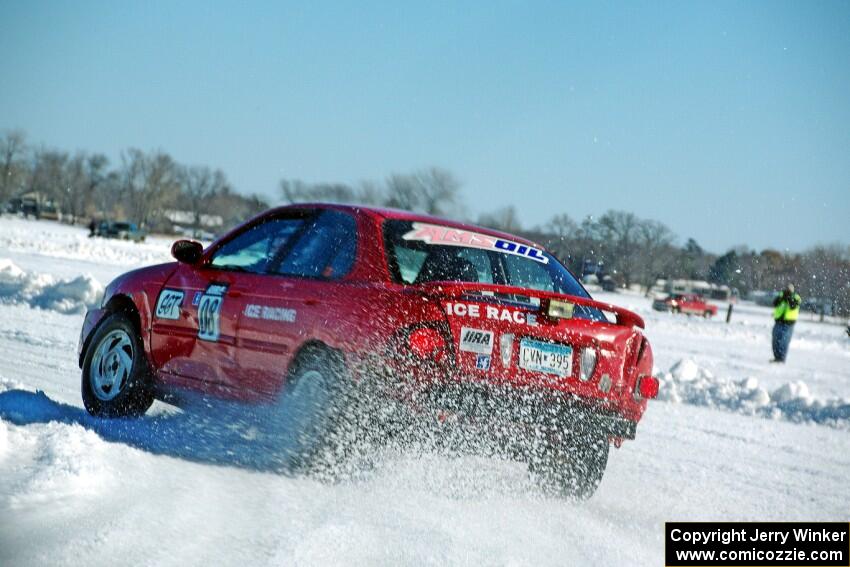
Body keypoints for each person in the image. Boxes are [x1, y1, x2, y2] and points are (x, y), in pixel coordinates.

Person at [771, 284, 801, 363]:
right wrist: (782, 297)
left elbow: (792, 306)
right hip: (778, 321)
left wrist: (789, 297)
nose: (788, 291)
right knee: (775, 340)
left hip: (789, 323)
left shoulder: (796, 297)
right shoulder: (781, 295)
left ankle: (781, 358)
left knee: (783, 341)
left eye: (789, 290)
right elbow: (774, 303)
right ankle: (777, 357)